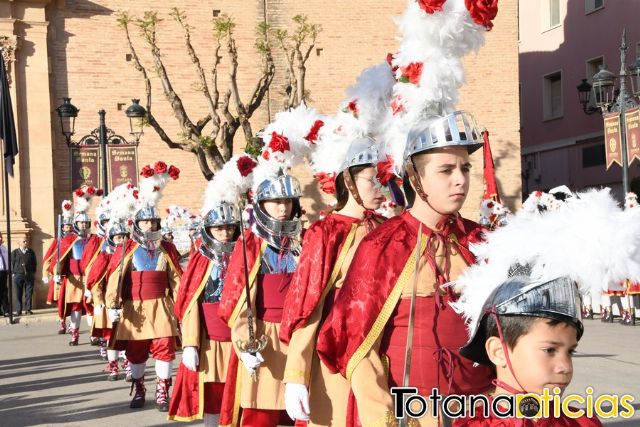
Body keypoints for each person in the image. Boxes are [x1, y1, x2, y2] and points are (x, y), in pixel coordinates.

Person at [316, 112, 494, 426]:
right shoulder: (382, 244)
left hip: (480, 409)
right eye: (446, 170)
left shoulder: (482, 241)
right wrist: (382, 414)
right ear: (415, 179)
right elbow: (355, 342)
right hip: (412, 412)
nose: (461, 179)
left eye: (465, 168)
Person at [448, 188, 639, 426]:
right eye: (549, 350)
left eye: (570, 352)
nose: (565, 367)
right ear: (498, 351)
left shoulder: (581, 422)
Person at [280, 136, 388, 426]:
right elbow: (307, 305)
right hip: (334, 356)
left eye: (385, 178)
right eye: (372, 179)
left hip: (382, 353)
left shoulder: (388, 229)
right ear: (348, 181)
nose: (381, 188)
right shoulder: (324, 232)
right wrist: (296, 374)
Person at [218, 169, 304, 427]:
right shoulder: (252, 246)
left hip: (299, 339)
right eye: (276, 201)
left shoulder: (303, 243)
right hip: (265, 338)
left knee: (299, 412)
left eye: (288, 201)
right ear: (262, 204)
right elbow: (238, 302)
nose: (283, 208)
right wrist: (245, 343)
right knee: (261, 412)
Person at [105, 161, 182, 412]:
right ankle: (139, 389)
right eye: (145, 222)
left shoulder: (166, 248)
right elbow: (115, 278)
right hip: (133, 307)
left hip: (161, 305)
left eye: (153, 222)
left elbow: (177, 279)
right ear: (136, 224)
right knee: (136, 352)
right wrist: (112, 305)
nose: (150, 226)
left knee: (164, 348)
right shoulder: (126, 248)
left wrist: (181, 305)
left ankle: (162, 391)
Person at [169, 196, 242, 425]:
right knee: (213, 396)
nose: (225, 233)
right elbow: (190, 303)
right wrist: (190, 343)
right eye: (219, 228)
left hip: (240, 338)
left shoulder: (245, 255)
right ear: (209, 228)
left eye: (230, 227)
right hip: (210, 340)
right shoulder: (201, 259)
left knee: (241, 395)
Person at [11, 237, 37, 315]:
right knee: (18, 293)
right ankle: (18, 310)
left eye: (26, 241)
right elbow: (11, 263)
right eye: (24, 241)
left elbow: (34, 263)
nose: (26, 242)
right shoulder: (14, 252)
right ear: (19, 243)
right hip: (18, 275)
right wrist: (13, 273)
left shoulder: (31, 252)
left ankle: (28, 309)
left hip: (29, 275)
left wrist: (33, 272)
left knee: (29, 293)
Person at [0, 232, 10, 317]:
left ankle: (6, 310)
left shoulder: (3, 248)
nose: (0, 239)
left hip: (3, 272)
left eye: (0, 237)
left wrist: (8, 269)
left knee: (4, 291)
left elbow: (6, 259)